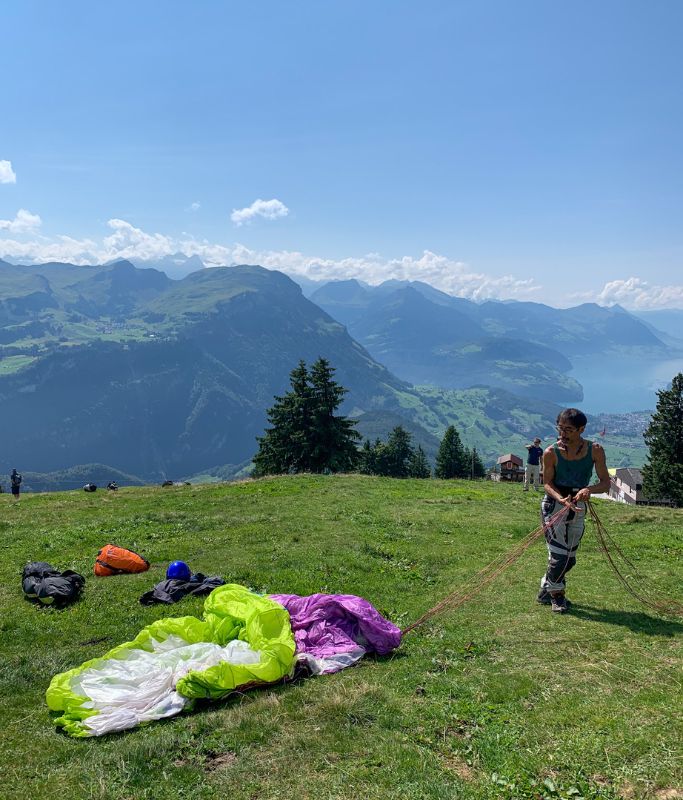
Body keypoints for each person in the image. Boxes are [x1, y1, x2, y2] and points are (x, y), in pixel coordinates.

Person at [537, 408, 610, 613]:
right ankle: (557, 597)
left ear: (581, 429)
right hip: (554, 505)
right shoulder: (550, 452)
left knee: (570, 557)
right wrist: (561, 498)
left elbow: (605, 483)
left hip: (578, 504)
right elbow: (547, 484)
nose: (562, 434)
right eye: (560, 429)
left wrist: (589, 490)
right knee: (559, 555)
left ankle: (546, 588)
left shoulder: (595, 450)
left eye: (568, 430)